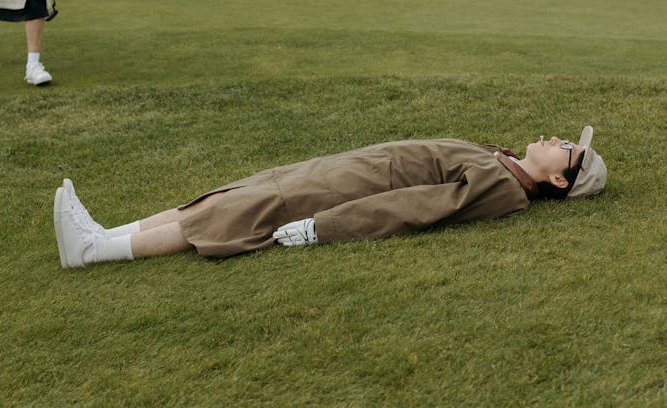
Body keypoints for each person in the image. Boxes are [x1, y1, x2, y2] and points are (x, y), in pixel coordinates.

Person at [53, 126, 607, 268]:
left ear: (559, 181)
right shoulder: (505, 161)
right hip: (343, 170)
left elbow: (415, 208)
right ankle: (106, 232)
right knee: (225, 197)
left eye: (567, 152)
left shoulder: (502, 189)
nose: (557, 140)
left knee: (235, 214)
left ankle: (94, 251)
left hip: (349, 190)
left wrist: (323, 227)